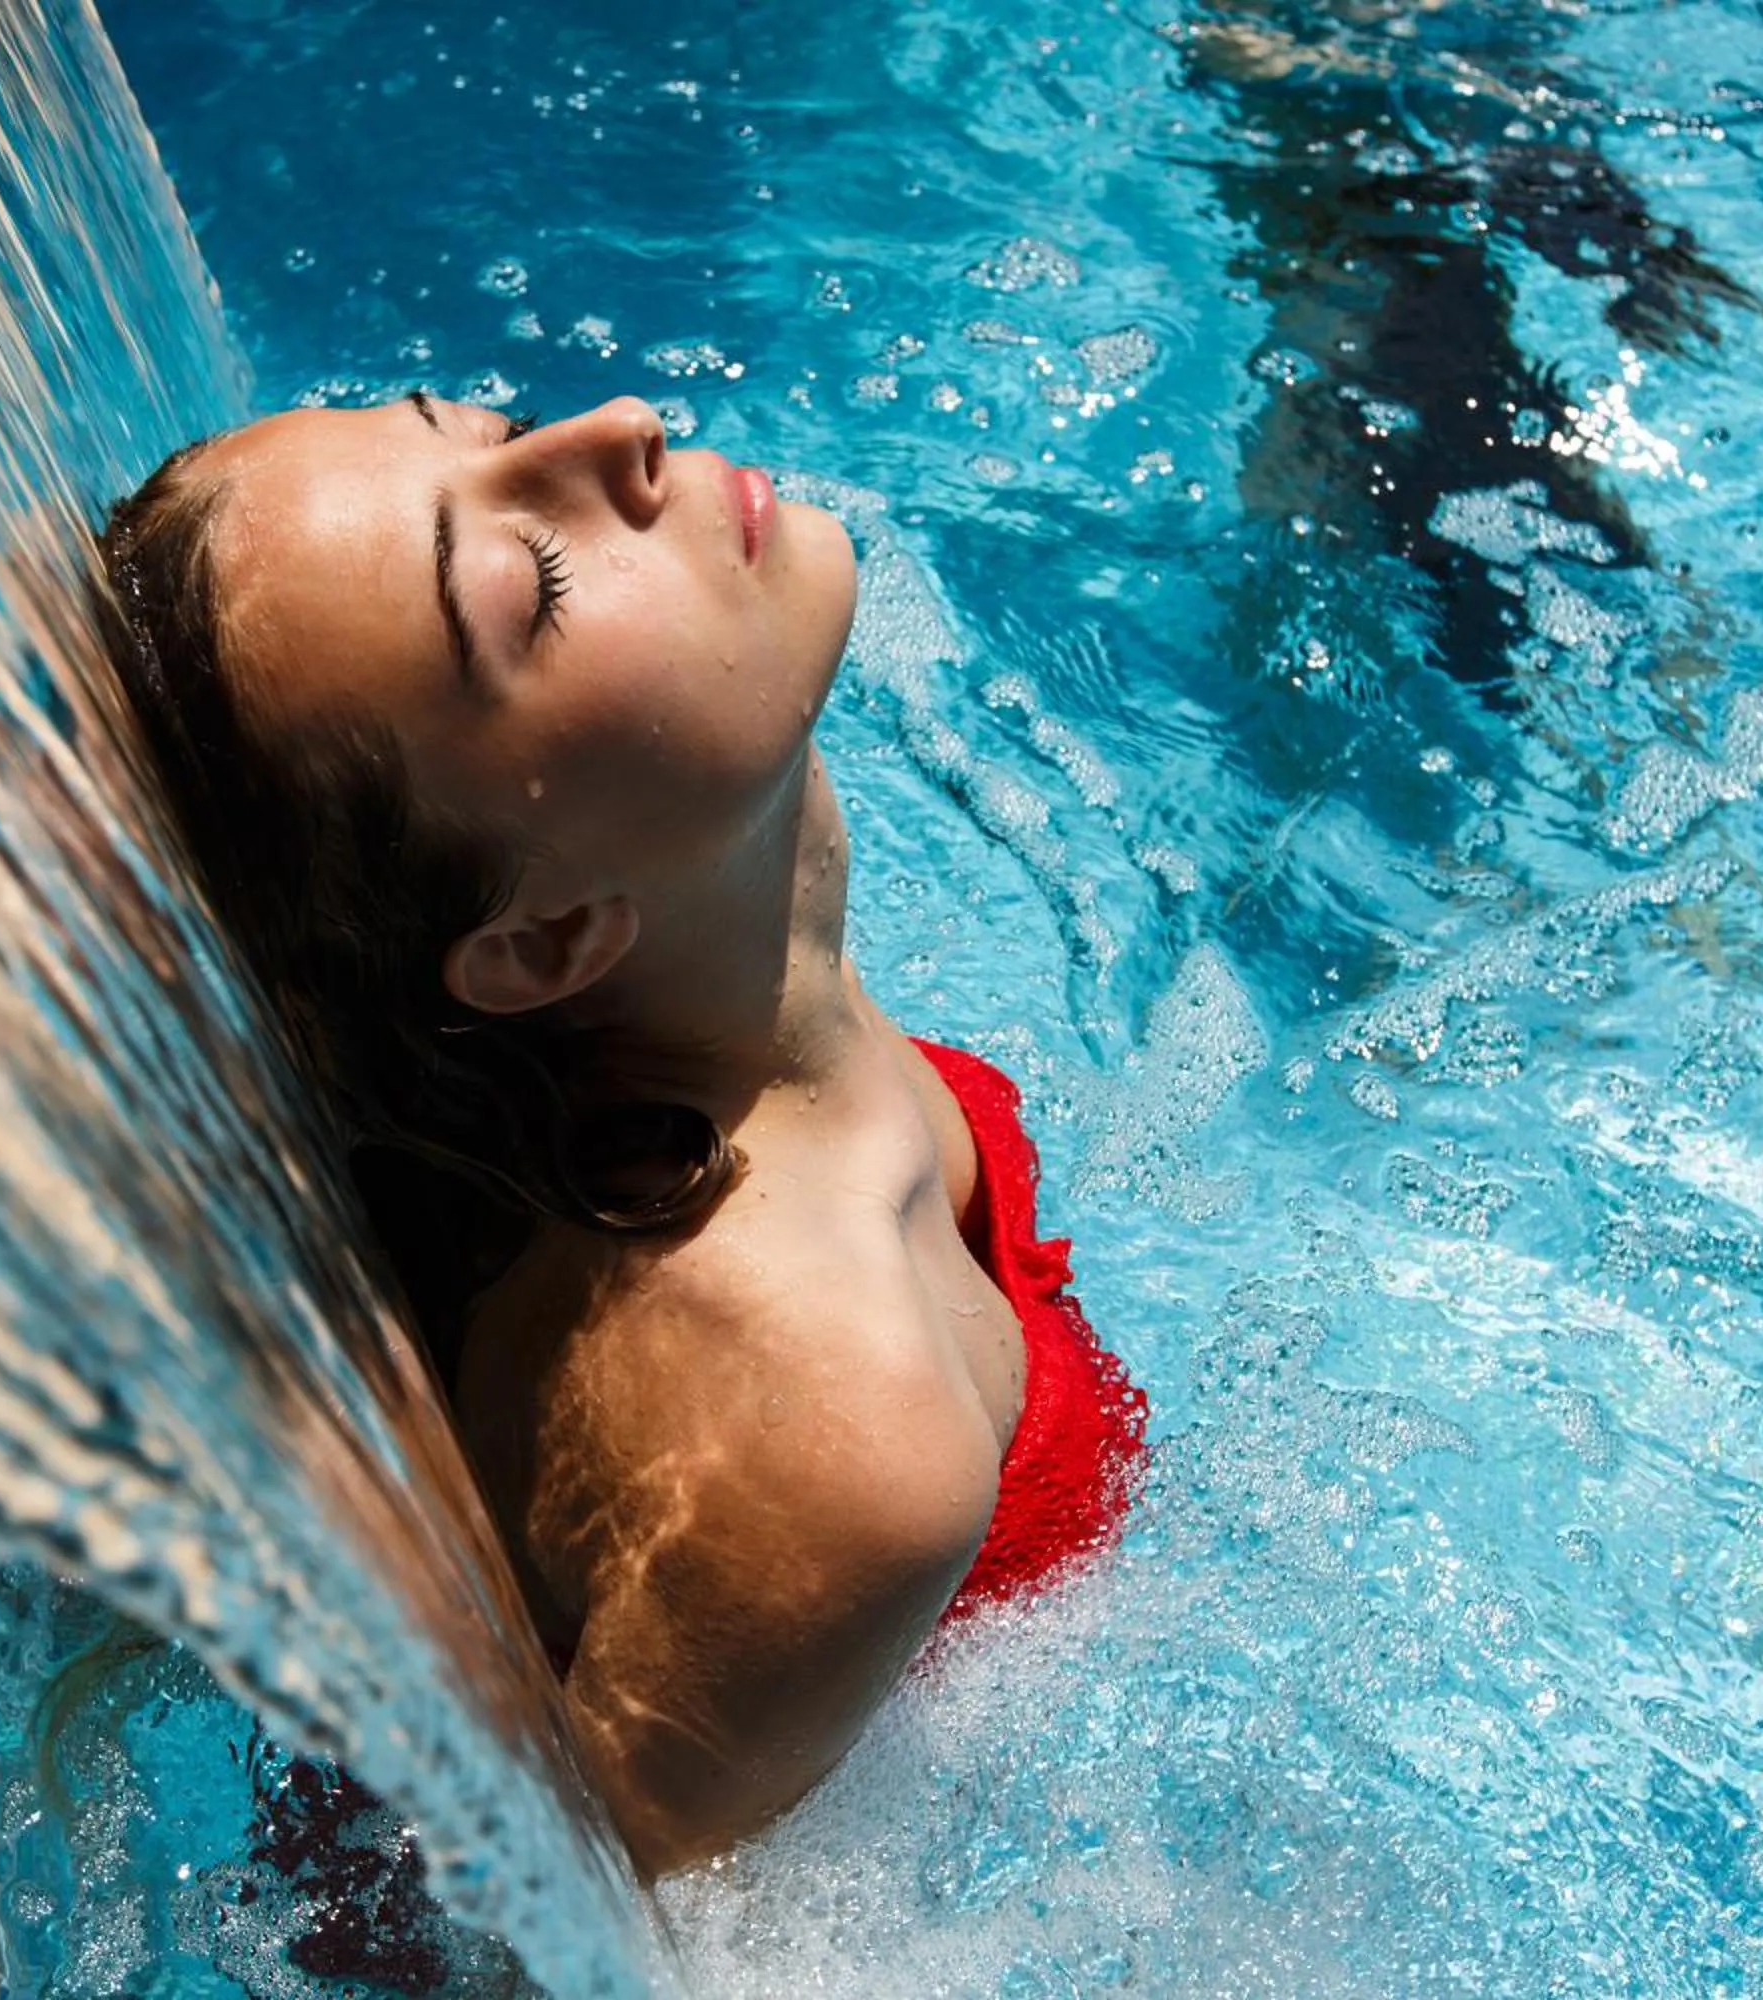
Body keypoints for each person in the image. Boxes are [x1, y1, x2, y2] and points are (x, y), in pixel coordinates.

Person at [96, 392, 1147, 1879]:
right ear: (541, 944)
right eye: (534, 589)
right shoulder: (836, 1436)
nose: (619, 430)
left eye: (479, 421)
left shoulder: (701, 898)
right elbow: (550, 1946)